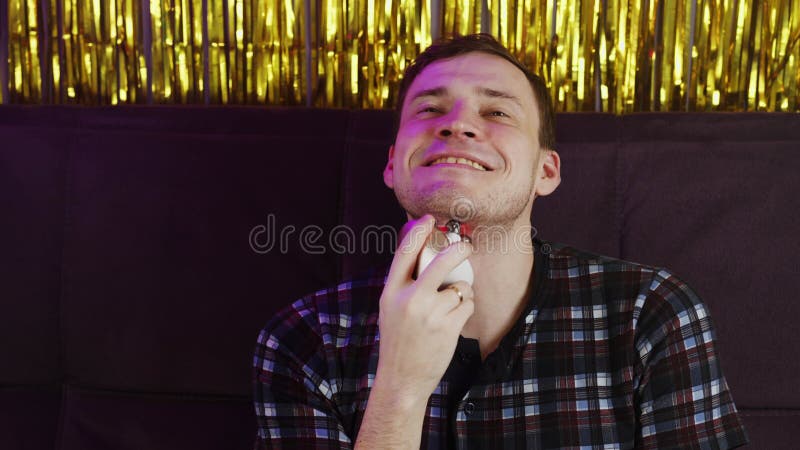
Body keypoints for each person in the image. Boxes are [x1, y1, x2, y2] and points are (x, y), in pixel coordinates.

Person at [252, 33, 748, 449]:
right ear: (391, 163)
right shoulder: (306, 338)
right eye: (429, 108)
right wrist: (400, 389)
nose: (458, 123)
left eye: (498, 112)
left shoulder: (650, 314)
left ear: (546, 171)